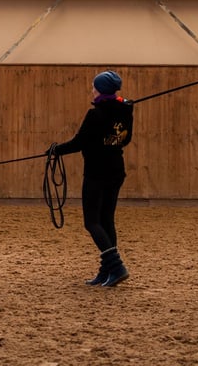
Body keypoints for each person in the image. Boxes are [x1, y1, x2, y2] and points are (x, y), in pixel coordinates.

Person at [49, 70, 134, 287]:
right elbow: (125, 140)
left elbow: (79, 143)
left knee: (92, 222)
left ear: (101, 89)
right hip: (116, 170)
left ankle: (116, 266)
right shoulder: (125, 109)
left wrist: (56, 150)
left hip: (97, 173)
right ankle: (107, 272)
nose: (92, 89)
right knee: (106, 220)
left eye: (94, 86)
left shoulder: (95, 114)